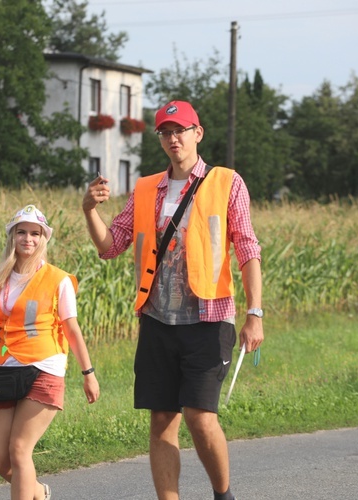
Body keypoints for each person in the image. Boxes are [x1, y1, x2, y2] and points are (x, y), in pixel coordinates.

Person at [81, 100, 263, 500]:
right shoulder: (146, 188)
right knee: (162, 419)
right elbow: (112, 246)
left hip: (209, 318)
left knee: (200, 417)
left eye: (180, 130)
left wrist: (255, 312)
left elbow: (248, 248)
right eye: (165, 131)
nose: (172, 138)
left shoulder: (227, 182)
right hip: (157, 320)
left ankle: (223, 494)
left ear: (198, 133)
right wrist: (89, 210)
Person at [0, 204, 100, 500]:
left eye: (35, 233)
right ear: (12, 237)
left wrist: (88, 373)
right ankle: (38, 493)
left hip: (45, 368)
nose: (28, 239)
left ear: (43, 239)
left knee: (19, 449)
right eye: (22, 232)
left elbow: (71, 329)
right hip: (4, 370)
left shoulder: (58, 280)